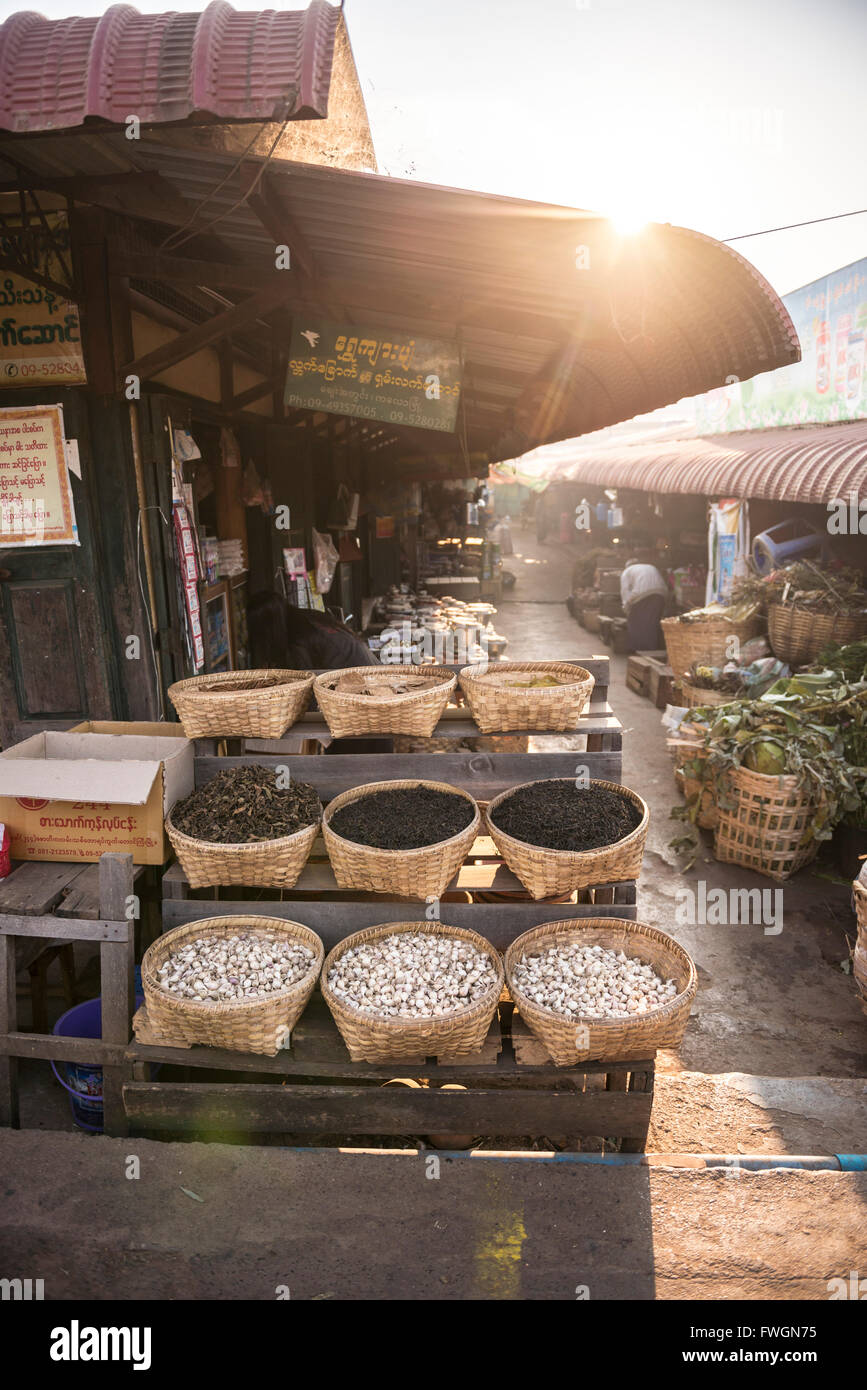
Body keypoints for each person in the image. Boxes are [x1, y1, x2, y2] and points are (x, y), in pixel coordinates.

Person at [247, 591, 389, 754]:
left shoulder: (300, 641)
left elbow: (304, 694)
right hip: (371, 697)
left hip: (363, 706)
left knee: (356, 764)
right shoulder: (307, 620)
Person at [247, 591, 376, 670]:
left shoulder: (299, 637)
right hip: (367, 668)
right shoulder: (304, 618)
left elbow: (305, 683)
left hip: (364, 679)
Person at [620, 554, 669, 652]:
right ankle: (652, 648)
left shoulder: (626, 571)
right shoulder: (650, 566)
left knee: (635, 622)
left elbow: (625, 590)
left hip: (641, 593)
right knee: (652, 622)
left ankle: (639, 649)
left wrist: (626, 607)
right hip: (660, 593)